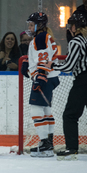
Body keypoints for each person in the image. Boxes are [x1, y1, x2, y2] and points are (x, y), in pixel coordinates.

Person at [44, 13, 87, 161]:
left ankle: (72, 148)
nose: (69, 28)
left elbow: (69, 66)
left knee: (70, 115)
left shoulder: (76, 41)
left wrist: (52, 65)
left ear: (75, 27)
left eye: (71, 25)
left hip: (83, 81)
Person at [24, 12, 60, 157]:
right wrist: (28, 64)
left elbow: (44, 59)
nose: (29, 27)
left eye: (32, 24)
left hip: (44, 78)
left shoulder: (40, 37)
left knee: (36, 111)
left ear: (40, 25)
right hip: (49, 78)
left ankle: (45, 143)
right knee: (45, 110)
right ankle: (48, 143)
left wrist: (39, 76)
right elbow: (41, 56)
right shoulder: (43, 37)